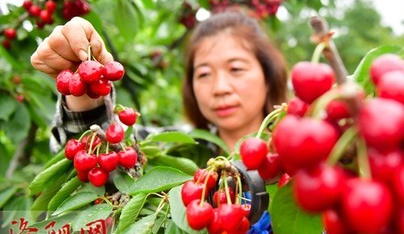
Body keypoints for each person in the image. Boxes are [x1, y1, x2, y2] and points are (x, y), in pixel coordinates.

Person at [30, 9, 288, 154]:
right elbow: (101, 153)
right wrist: (85, 92)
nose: (220, 88)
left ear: (268, 76)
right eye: (204, 74)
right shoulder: (169, 147)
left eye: (236, 68)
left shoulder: (310, 151)